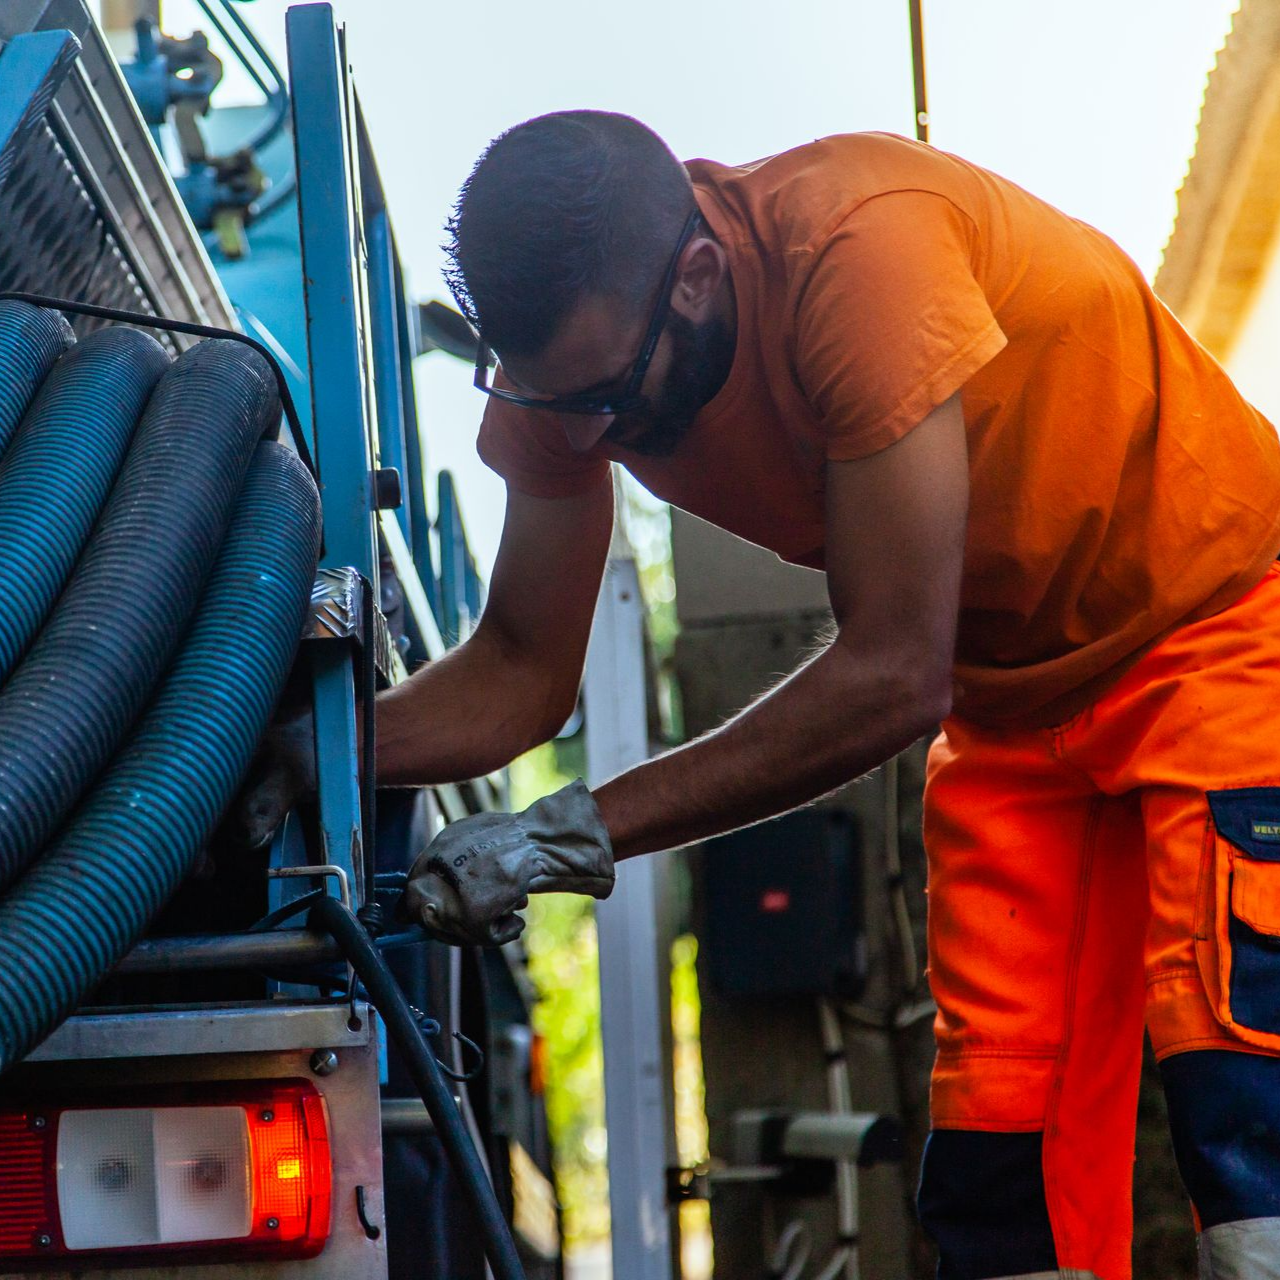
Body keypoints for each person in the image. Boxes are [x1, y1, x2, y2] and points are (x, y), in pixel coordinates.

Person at [249, 112, 1280, 1277]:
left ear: (697, 277)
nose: (586, 435)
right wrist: (315, 747)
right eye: (549, 405)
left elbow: (893, 674)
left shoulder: (861, 257)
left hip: (1216, 630)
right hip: (1008, 716)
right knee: (1000, 1189)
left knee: (1246, 1146)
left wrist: (572, 829)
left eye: (610, 398)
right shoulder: (562, 386)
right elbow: (520, 675)